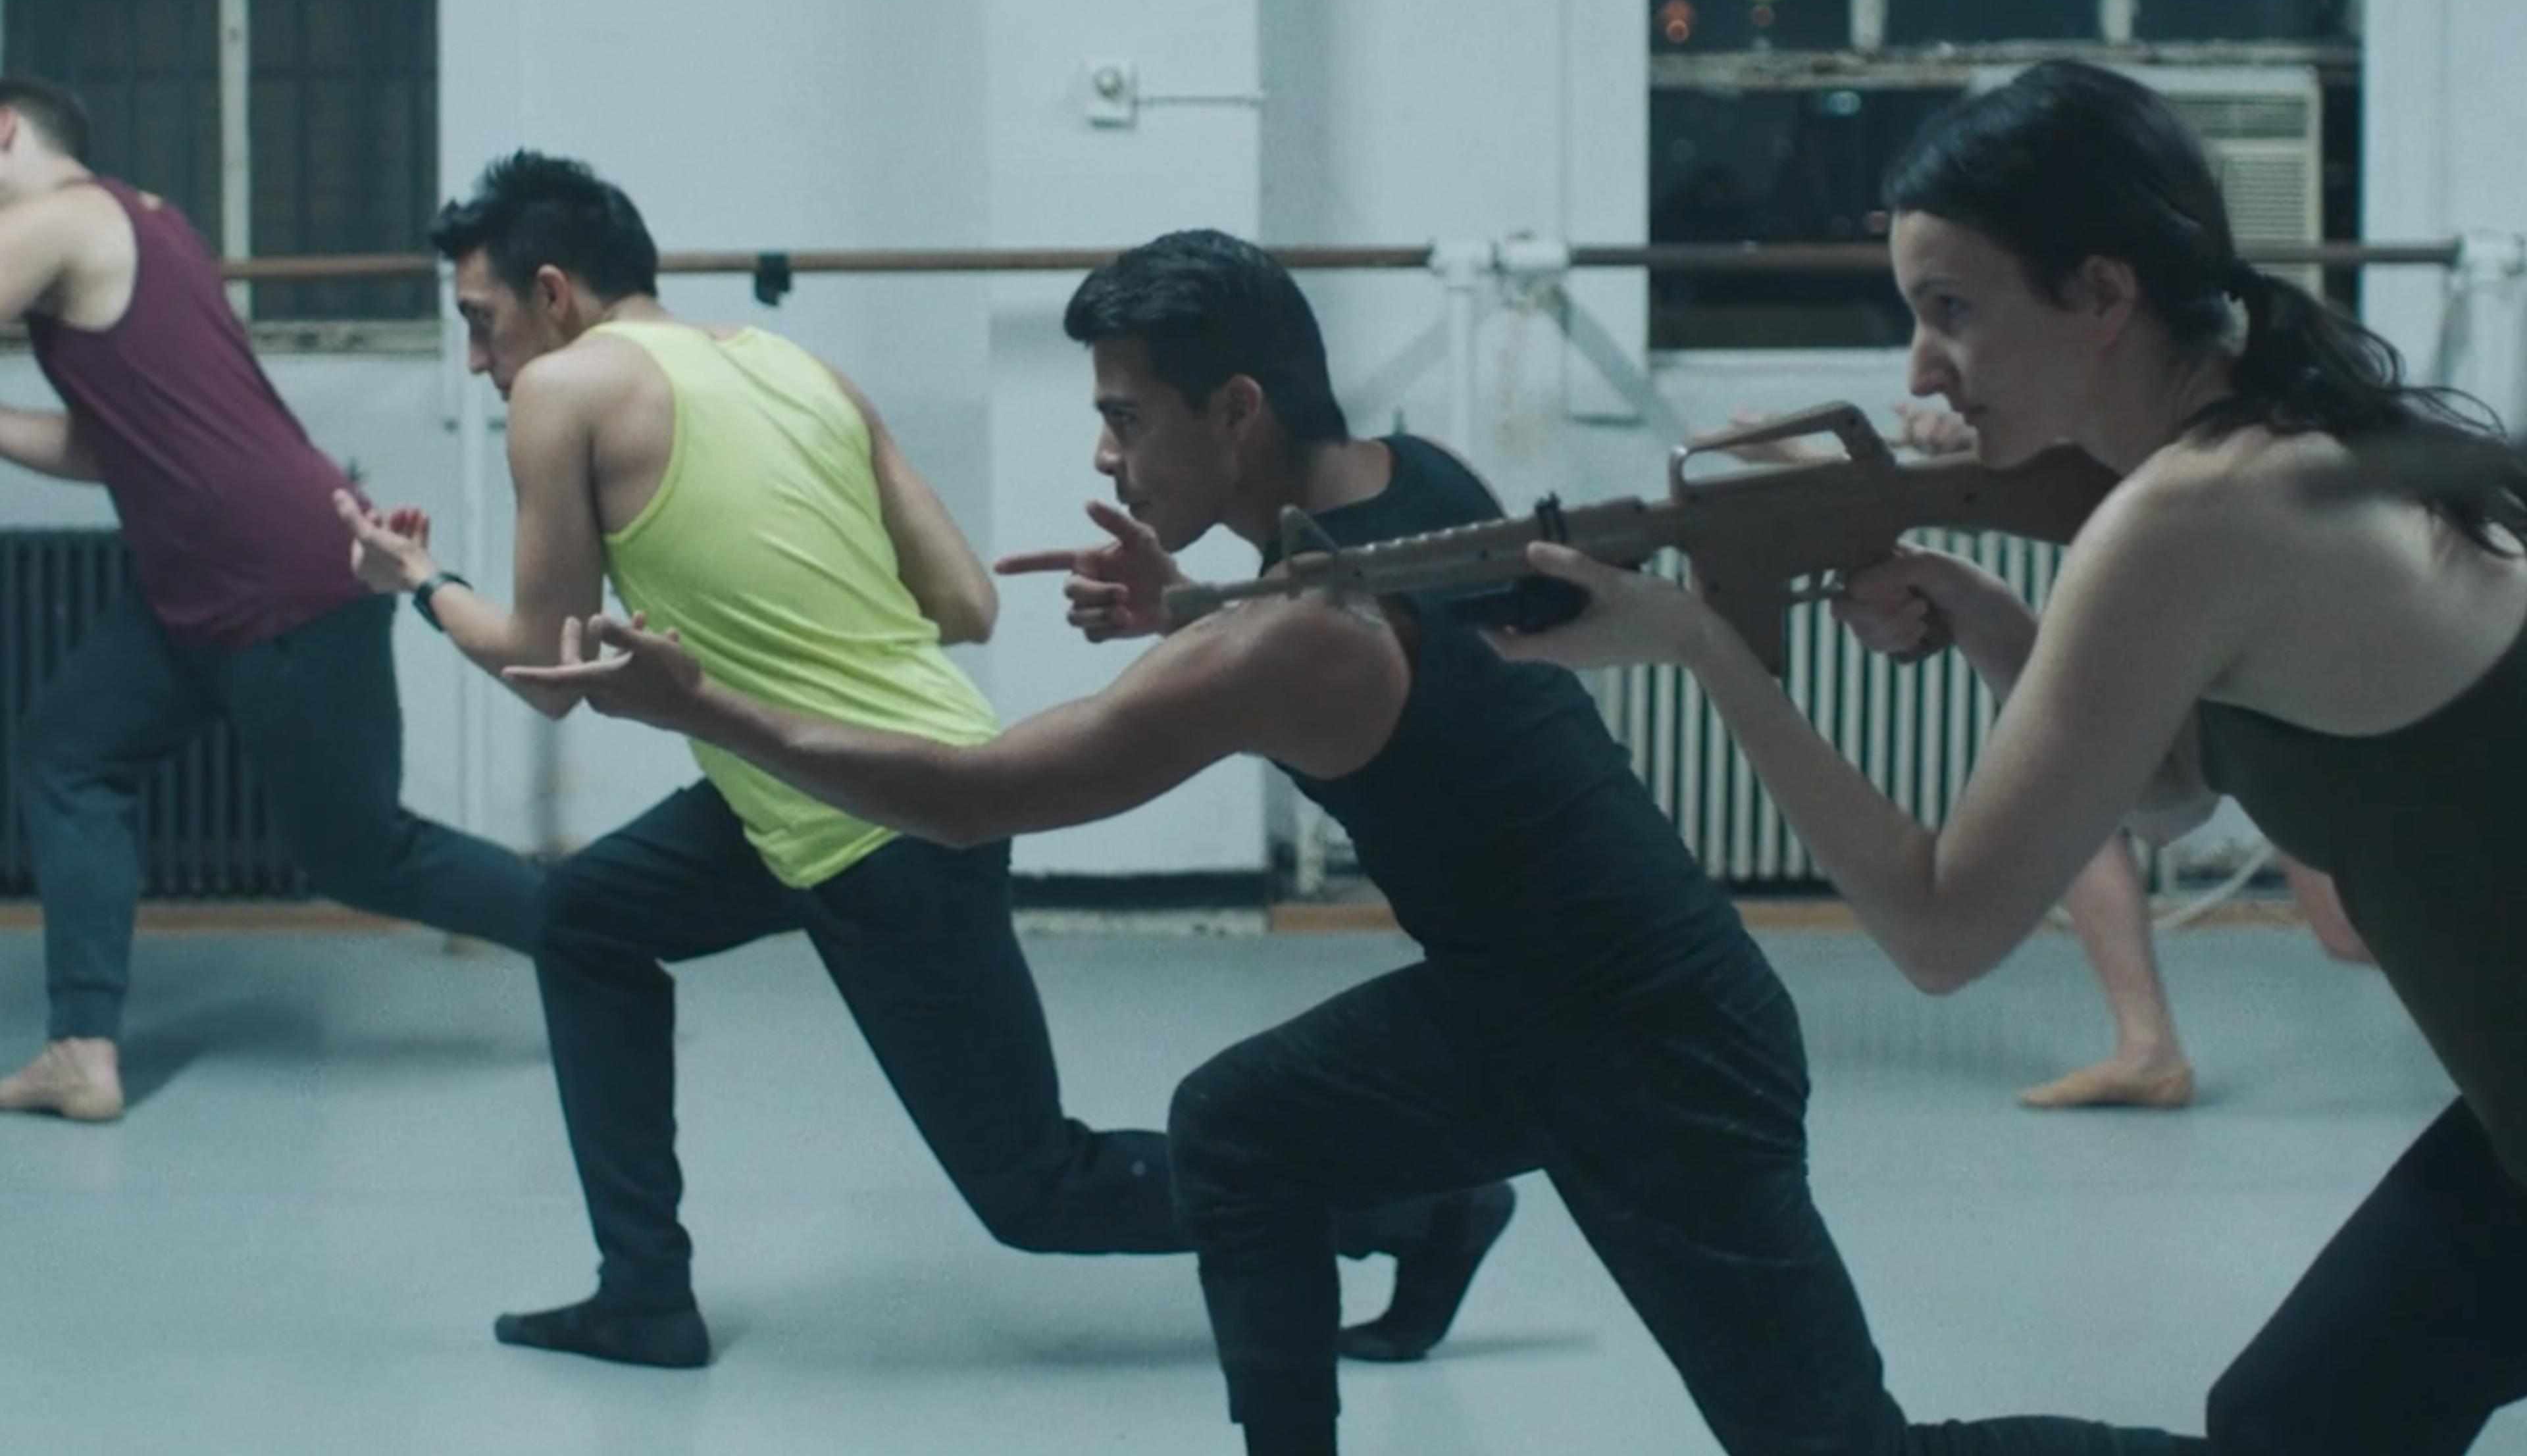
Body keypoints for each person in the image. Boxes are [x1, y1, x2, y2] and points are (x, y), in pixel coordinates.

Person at [515, 228, 2197, 1454]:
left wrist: (705, 706)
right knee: (1241, 1127)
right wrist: (1192, 592)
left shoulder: (1289, 633)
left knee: (1836, 1449)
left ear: (1234, 409)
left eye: (1126, 418)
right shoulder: (1412, 481)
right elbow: (1371, 602)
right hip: (1526, 998)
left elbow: (971, 792)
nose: (1104, 452)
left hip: (1657, 1038)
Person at [1484, 60, 2527, 1454]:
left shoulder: (2187, 514)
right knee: (2302, 1414)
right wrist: (1987, 616)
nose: (1923, 367)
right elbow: (2165, 795)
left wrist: (1705, 649)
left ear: (2102, 296)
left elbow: (1939, 927)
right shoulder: (2268, 439)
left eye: (1953, 312)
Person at [336, 155, 1496, 1372]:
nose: (479, 358)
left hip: (883, 821)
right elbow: (963, 602)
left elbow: (545, 667)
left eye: (482, 321)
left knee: (1038, 1190)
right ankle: (643, 1292)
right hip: (812, 787)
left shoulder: (561, 392)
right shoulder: (791, 369)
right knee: (584, 917)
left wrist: (418, 585)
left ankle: (1418, 1211)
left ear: (555, 293)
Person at [0, 75, 543, 1126]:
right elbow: (111, 443)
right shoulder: (140, 224)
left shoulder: (61, 217)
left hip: (289, 574)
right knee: (70, 751)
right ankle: (82, 1049)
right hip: (193, 590)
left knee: (356, 853)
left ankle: (594, 928)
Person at [1738, 403, 2372, 1110]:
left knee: (2348, 933)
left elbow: (2164, 813)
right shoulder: (2097, 429)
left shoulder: (2198, 431)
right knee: (2072, 787)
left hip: (2275, 655)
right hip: (2207, 649)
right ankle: (2146, 1047)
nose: (1930, 369)